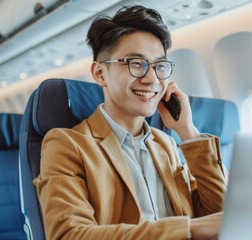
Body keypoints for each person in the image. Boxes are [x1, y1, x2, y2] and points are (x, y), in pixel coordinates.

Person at [33, 5, 227, 240]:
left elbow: (219, 215)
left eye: (160, 66)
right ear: (100, 73)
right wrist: (188, 229)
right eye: (136, 63)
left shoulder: (165, 143)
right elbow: (68, 234)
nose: (152, 79)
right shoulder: (67, 145)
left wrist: (187, 131)